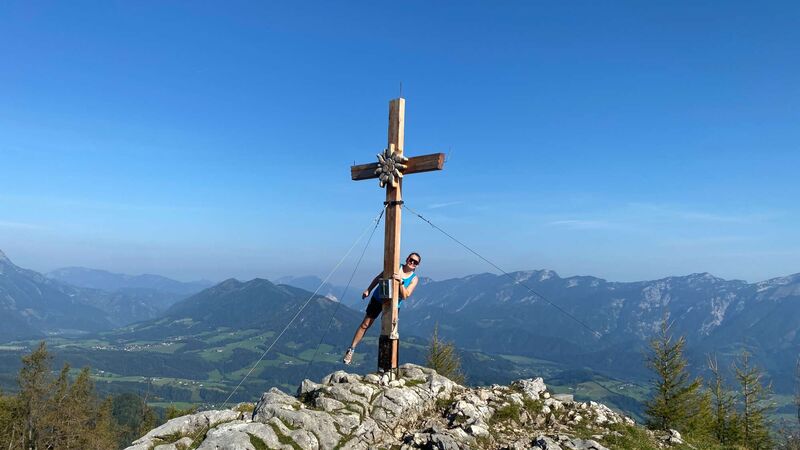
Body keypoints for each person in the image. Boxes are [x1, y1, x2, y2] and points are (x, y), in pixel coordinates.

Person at [342, 252, 421, 365]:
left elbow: (405, 295)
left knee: (390, 332)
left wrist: (401, 282)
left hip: (394, 305)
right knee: (365, 324)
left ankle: (388, 363)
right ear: (407, 258)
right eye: (411, 259)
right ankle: (351, 349)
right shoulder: (395, 266)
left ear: (417, 265)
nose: (412, 262)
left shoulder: (414, 279)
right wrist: (368, 290)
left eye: (415, 262)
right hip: (378, 297)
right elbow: (379, 277)